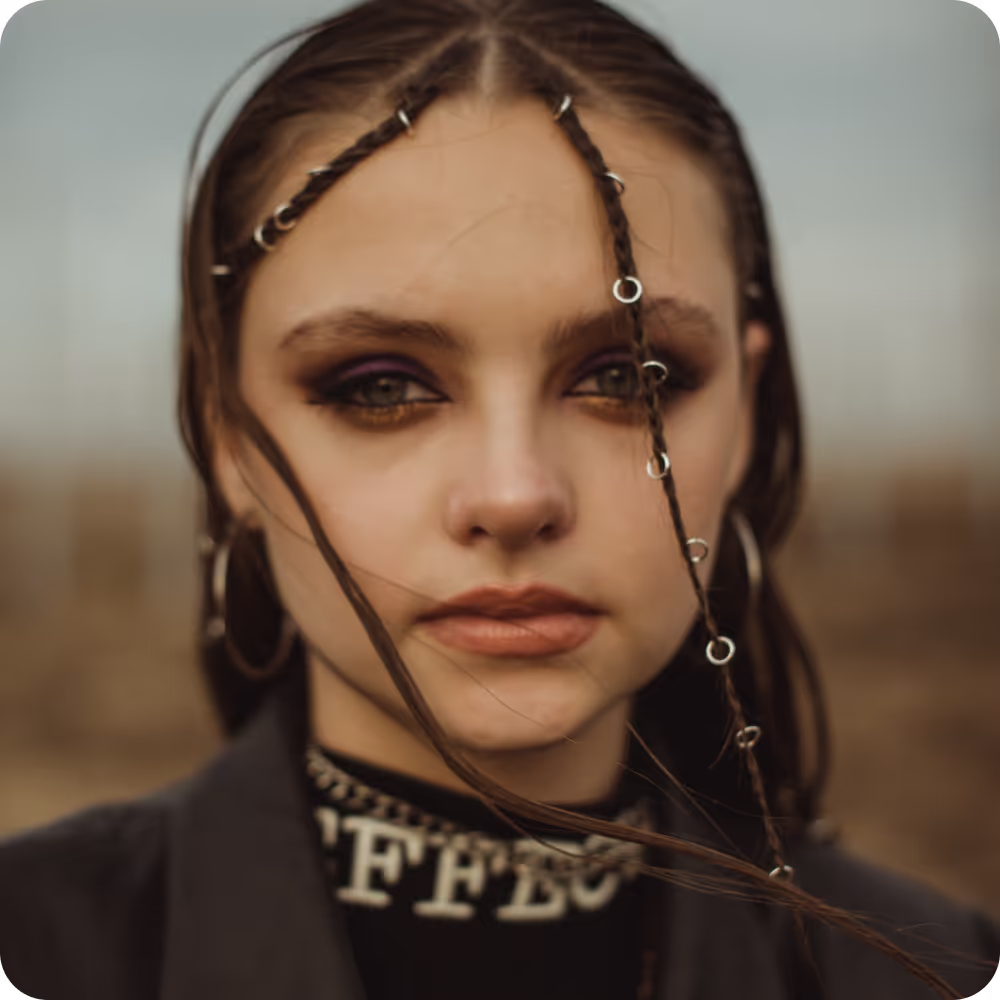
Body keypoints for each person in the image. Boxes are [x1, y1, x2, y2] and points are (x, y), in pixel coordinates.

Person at [0, 1, 997, 998]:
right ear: (226, 438)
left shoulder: (935, 968)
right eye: (379, 386)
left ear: (743, 413)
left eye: (630, 378)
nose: (515, 496)